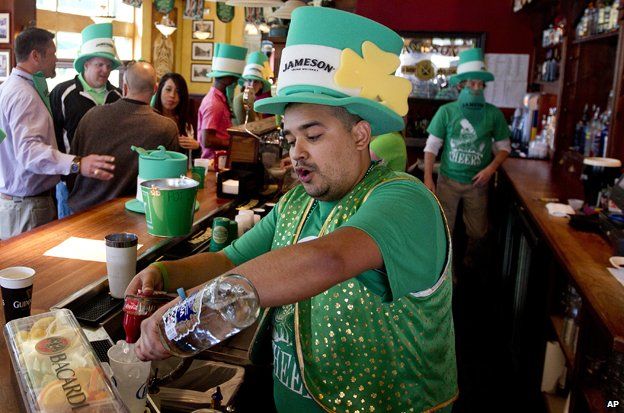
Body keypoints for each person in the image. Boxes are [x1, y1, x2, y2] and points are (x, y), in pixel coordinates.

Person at [128, 8, 457, 413]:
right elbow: (230, 260)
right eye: (290, 137)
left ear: (360, 134)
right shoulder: (299, 202)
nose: (296, 152)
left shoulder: (404, 201)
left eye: (313, 135)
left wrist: (183, 316)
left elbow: (325, 259)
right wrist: (164, 272)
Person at [0, 28, 114, 240]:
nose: (56, 58)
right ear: (36, 56)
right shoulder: (24, 95)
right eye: (52, 53)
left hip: (15, 203)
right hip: (27, 206)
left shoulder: (8, 87)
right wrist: (79, 163)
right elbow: (29, 153)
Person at [423, 47, 511, 267]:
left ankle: (471, 265)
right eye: (472, 83)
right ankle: (447, 271)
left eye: (480, 84)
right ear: (461, 85)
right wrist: (427, 178)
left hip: (477, 183)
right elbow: (431, 147)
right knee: (444, 230)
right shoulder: (447, 112)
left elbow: (504, 148)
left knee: (478, 231)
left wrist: (490, 169)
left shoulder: (493, 114)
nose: (476, 88)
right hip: (448, 180)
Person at [67, 61, 179, 214]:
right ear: (155, 89)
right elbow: (169, 183)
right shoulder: (166, 128)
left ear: (124, 86)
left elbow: (74, 164)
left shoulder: (92, 115)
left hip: (81, 211)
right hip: (129, 214)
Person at [50, 23, 122, 218]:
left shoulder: (118, 96)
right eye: (100, 65)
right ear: (86, 64)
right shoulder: (62, 93)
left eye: (109, 65)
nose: (105, 70)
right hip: (72, 184)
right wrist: (64, 176)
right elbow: (54, 137)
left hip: (108, 184)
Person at [197, 43, 247, 159]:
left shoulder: (219, 100)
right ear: (227, 78)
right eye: (234, 78)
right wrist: (235, 144)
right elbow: (207, 140)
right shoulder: (213, 103)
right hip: (214, 161)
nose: (235, 82)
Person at [153, 72, 200, 153]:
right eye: (168, 89)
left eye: (178, 91)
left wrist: (197, 146)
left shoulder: (188, 120)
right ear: (160, 90)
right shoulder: (151, 118)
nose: (172, 95)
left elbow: (194, 155)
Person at [233, 51, 273, 125]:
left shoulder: (261, 100)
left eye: (256, 82)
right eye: (249, 80)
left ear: (261, 85)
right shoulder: (240, 100)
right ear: (244, 83)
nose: (251, 85)